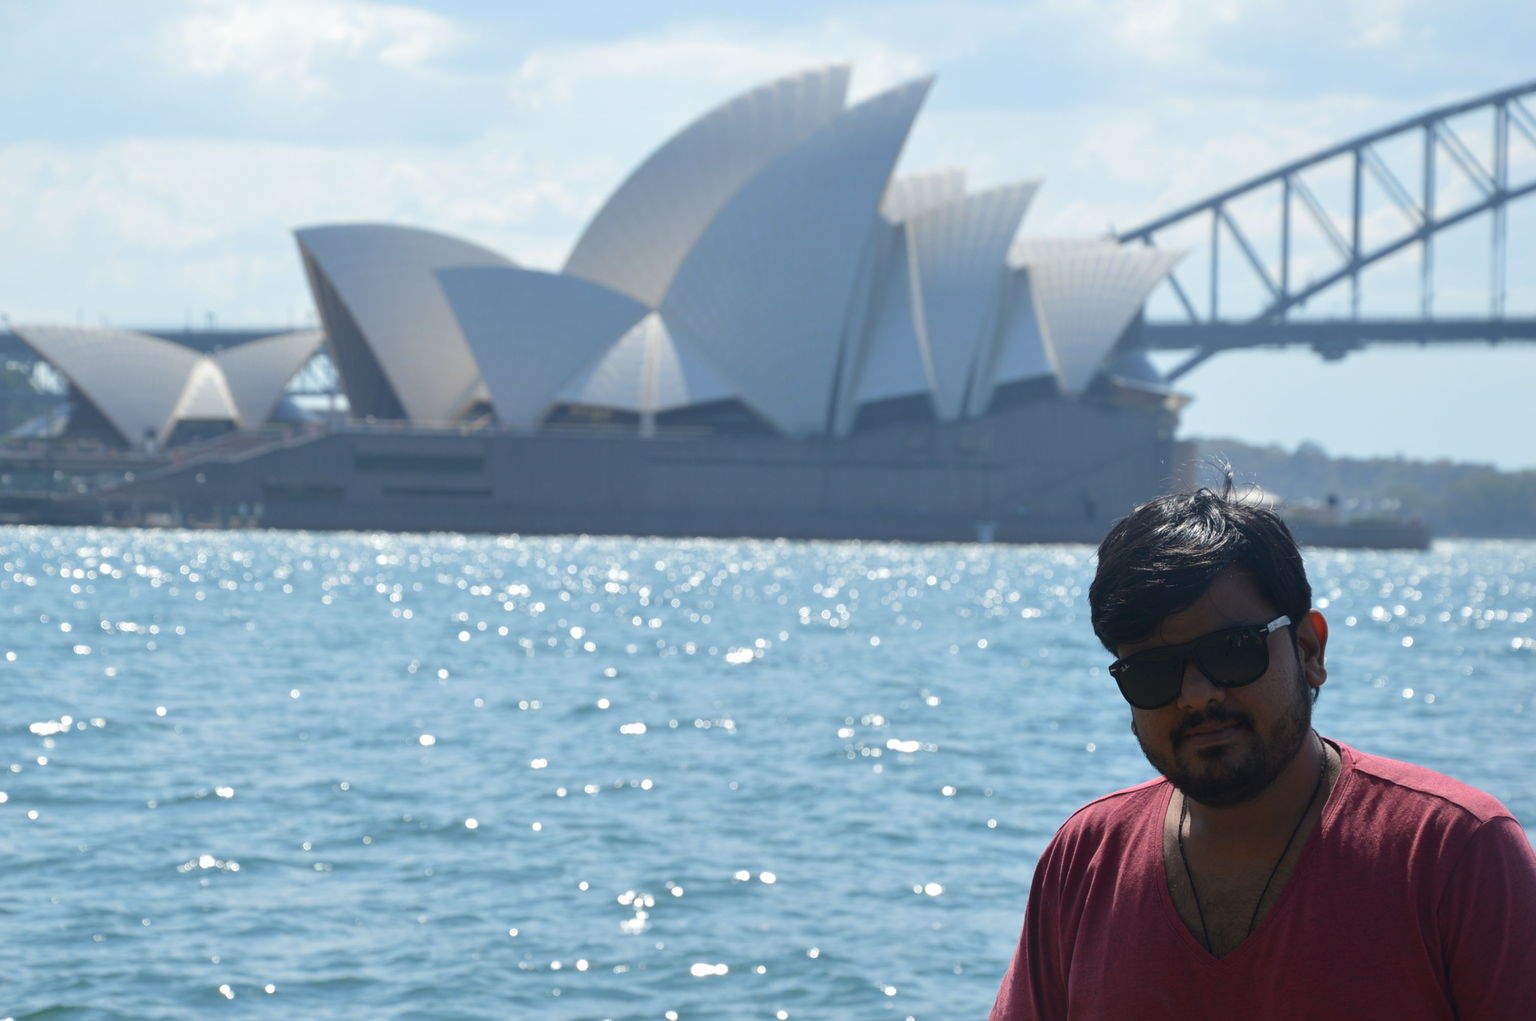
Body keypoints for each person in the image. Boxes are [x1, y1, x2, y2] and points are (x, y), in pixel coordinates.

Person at [988, 482, 1536, 1019]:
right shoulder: (1085, 860)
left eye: (1232, 651)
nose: (1197, 694)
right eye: (1153, 672)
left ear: (1309, 649)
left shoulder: (1454, 852)